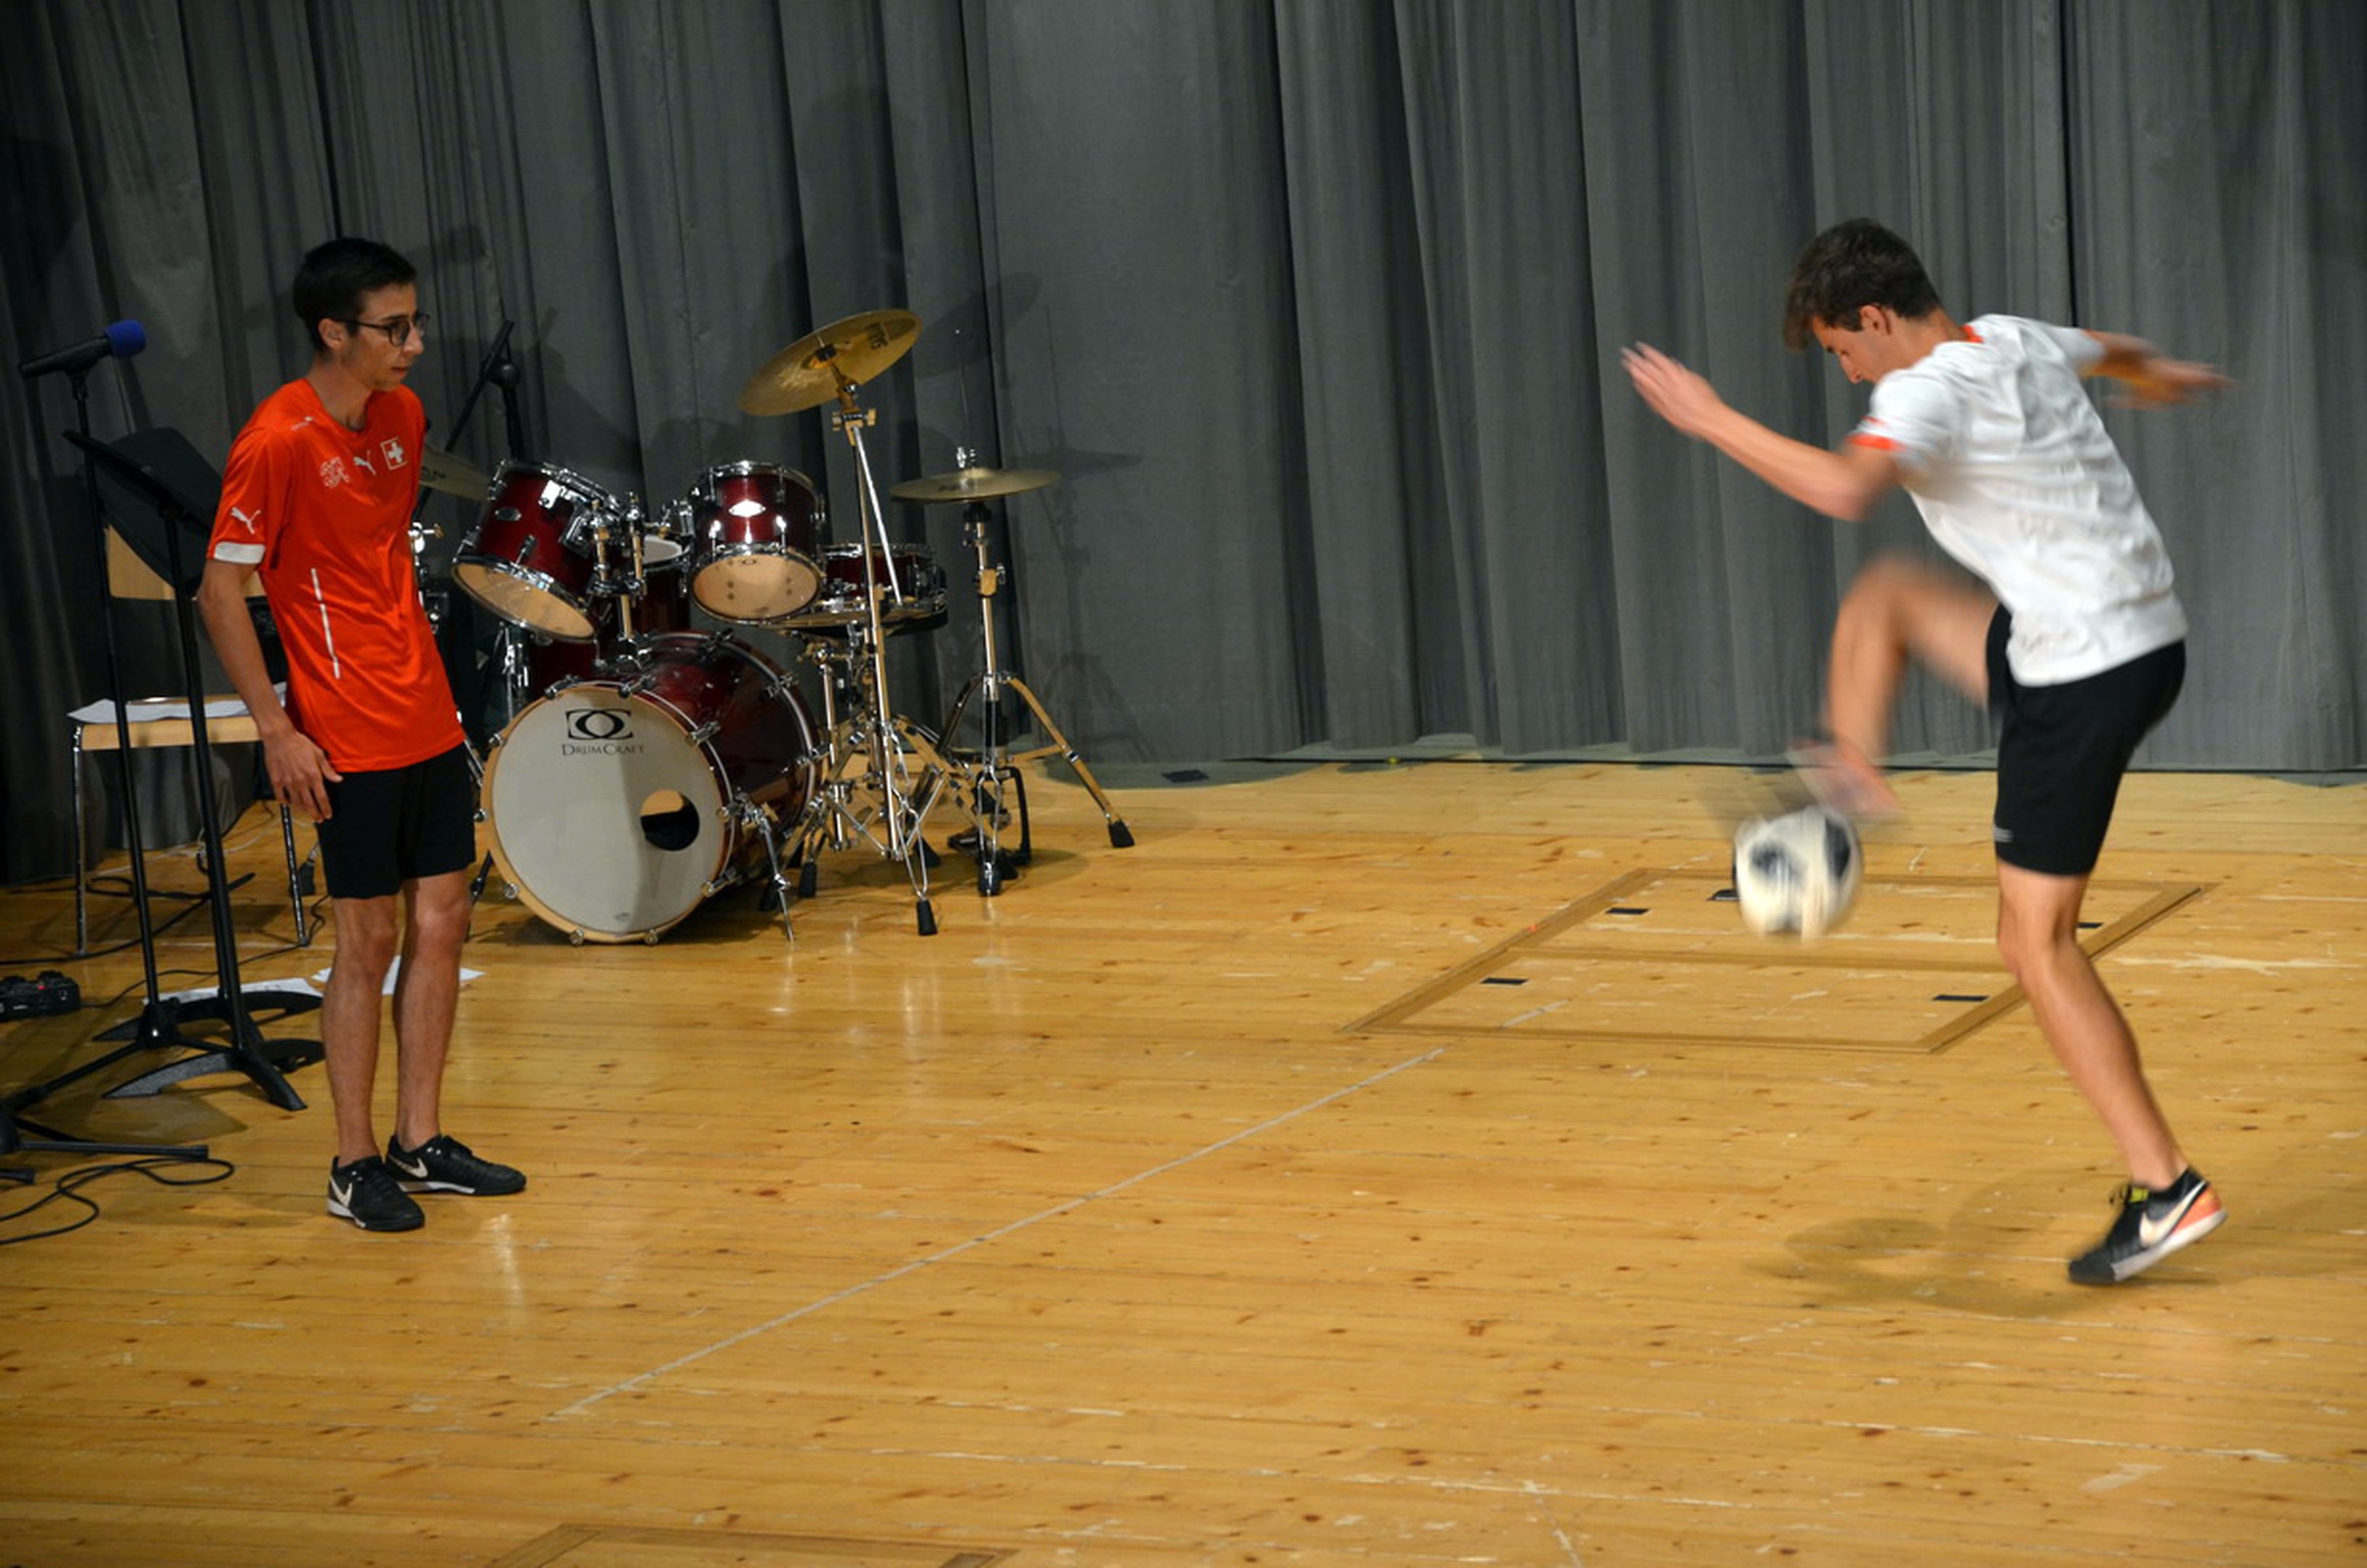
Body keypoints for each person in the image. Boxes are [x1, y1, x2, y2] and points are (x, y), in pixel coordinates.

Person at [1624, 218, 2229, 1285]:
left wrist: (1710, 419)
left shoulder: (1922, 394)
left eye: (1840, 351)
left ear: (1872, 317)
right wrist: (2160, 371)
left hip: (2081, 675)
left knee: (2032, 946)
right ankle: (1849, 782)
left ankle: (2167, 1186)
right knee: (1889, 596)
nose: (1849, 374)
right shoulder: (2013, 338)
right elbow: (2109, 347)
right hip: (2141, 639)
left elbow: (1843, 491)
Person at [196, 237, 525, 1233]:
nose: (415, 344)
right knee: (368, 935)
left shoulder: (403, 416)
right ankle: (352, 1162)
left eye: (416, 323)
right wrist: (276, 728)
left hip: (422, 706)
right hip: (342, 727)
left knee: (444, 922)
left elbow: (376, 558)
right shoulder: (276, 440)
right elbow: (219, 590)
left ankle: (420, 1140)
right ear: (334, 332)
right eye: (395, 328)